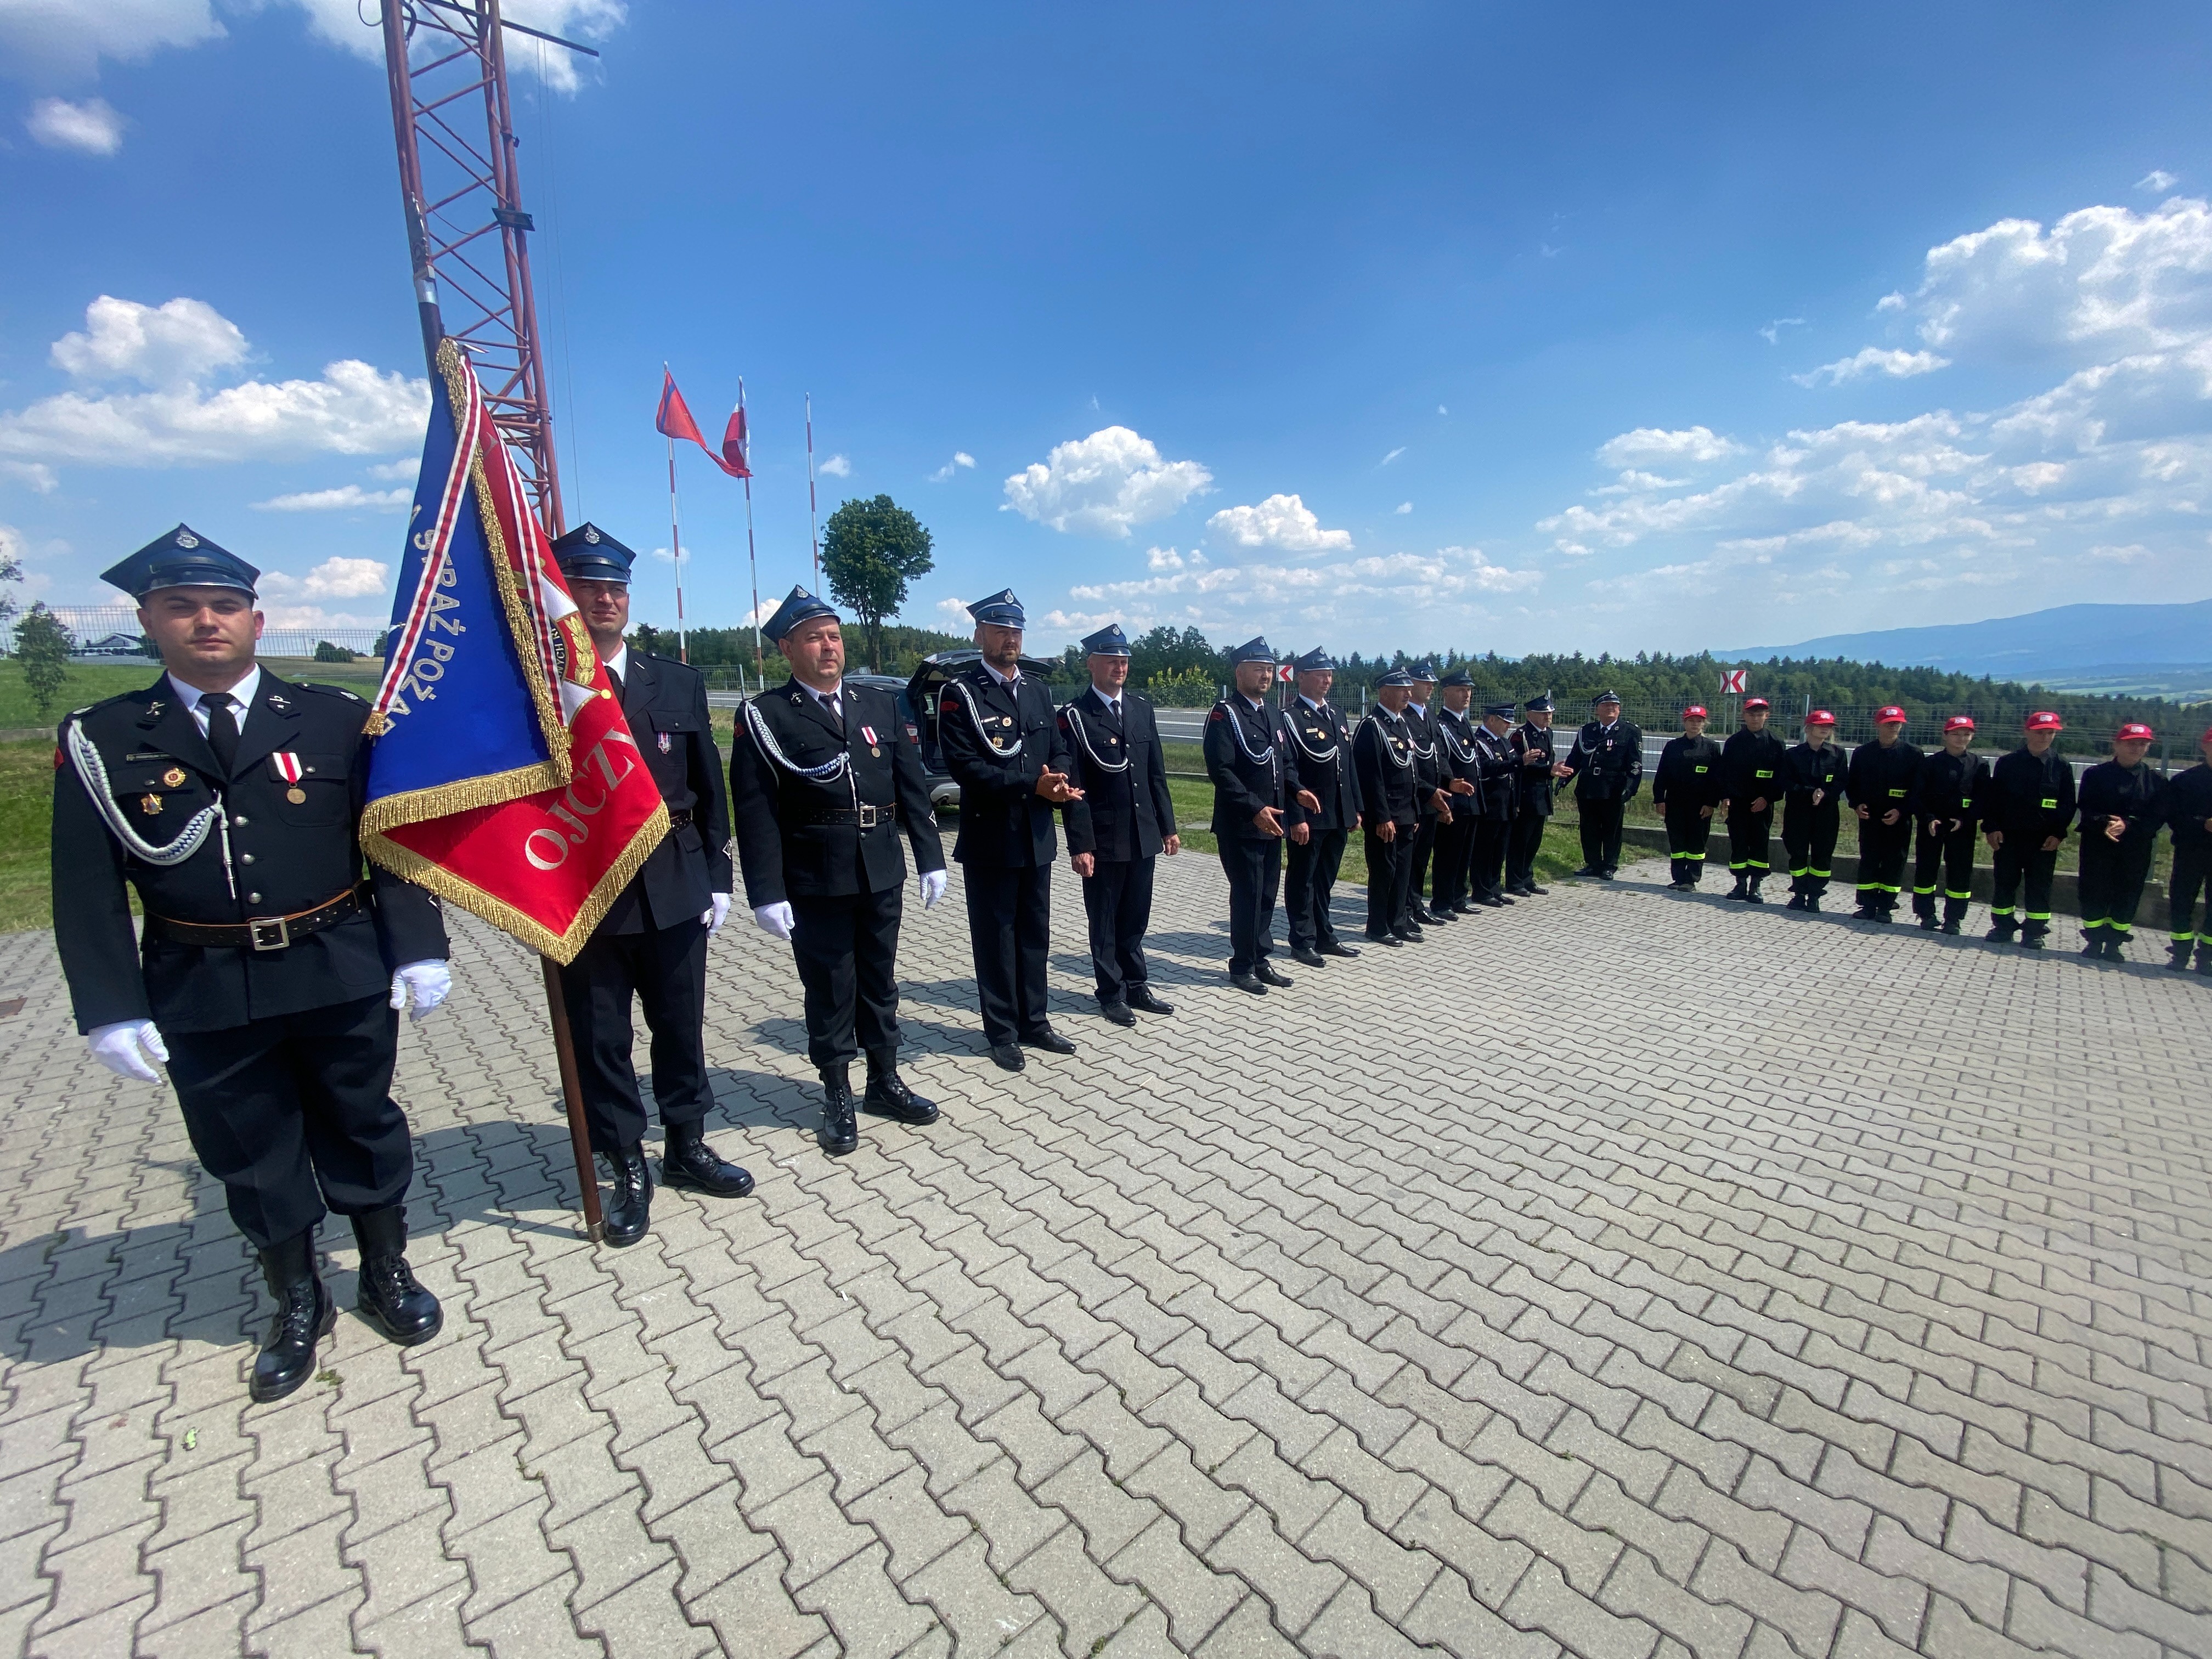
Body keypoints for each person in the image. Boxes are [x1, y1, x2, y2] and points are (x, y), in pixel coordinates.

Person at [53, 526, 453, 1402]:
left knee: (362, 1123)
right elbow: (83, 885)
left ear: (256, 621)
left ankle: (385, 1269)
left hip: (336, 966)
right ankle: (297, 1296)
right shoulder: (103, 737)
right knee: (250, 1148)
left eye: (225, 606)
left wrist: (419, 946)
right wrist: (109, 1005)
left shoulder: (335, 718)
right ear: (148, 621)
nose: (207, 621)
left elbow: (390, 844)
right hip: (201, 981)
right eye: (182, 607)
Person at [546, 524, 750, 1246]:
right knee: (602, 1038)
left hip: (673, 878)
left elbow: (709, 786)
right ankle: (626, 1162)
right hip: (587, 889)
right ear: (563, 595)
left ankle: (687, 1145)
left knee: (680, 1025)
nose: (604, 599)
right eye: (588, 586)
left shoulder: (676, 680)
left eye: (615, 588)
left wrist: (718, 873)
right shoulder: (541, 685)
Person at [730, 585, 949, 1154]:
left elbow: (910, 786)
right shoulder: (767, 715)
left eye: (834, 636)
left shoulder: (877, 705)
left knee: (880, 982)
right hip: (816, 876)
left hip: (880, 868)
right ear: (787, 649)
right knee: (831, 988)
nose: (829, 647)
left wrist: (930, 857)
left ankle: (884, 1080)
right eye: (814, 638)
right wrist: (765, 891)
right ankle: (836, 1091)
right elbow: (755, 810)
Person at [936, 589, 1083, 1070]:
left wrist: (1059, 778)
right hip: (991, 838)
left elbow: (1059, 748)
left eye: (1016, 631)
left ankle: (1034, 1022)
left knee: (1035, 935)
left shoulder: (1037, 691)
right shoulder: (961, 694)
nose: (1010, 639)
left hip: (1036, 837)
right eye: (1000, 630)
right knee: (996, 939)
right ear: (980, 634)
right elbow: (967, 768)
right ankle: (1001, 1032)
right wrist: (1031, 786)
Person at [1059, 623, 1179, 1022]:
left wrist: (1168, 826)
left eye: (1124, 660)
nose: (1120, 667)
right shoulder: (1076, 717)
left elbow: (1156, 774)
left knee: (1135, 918)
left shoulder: (1141, 708)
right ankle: (1111, 993)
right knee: (1106, 921)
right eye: (1111, 660)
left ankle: (1137, 985)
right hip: (1105, 838)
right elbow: (1074, 788)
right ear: (1091, 664)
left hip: (1142, 834)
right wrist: (1081, 844)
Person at [1204, 637, 1319, 993]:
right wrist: (1254, 809)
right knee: (1248, 895)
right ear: (1239, 673)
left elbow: (1284, 762)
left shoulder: (1272, 713)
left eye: (1269, 670)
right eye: (1258, 669)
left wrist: (1297, 790)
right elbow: (1221, 770)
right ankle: (1241, 966)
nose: (1266, 676)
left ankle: (1260, 959)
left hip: (1273, 823)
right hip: (1242, 823)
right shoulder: (1226, 713)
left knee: (1267, 894)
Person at [1282, 648, 1363, 965]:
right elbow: (1288, 771)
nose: (1326, 680)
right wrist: (1296, 817)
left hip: (1337, 813)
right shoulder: (1291, 718)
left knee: (1325, 880)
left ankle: (1324, 935)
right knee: (1303, 879)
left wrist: (1355, 808)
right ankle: (1302, 940)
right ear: (1301, 677)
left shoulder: (1337, 715)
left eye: (1329, 675)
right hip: (1310, 816)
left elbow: (1348, 765)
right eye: (1320, 675)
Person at [1983, 710, 2075, 949]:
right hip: (2009, 836)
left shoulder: (2061, 766)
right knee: (2005, 883)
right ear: (2027, 732)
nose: (2045, 737)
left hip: (2043, 840)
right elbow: (1993, 799)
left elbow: (2067, 804)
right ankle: (2003, 927)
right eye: (2040, 732)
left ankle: (2034, 932)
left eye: (2050, 733)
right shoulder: (2008, 763)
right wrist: (1992, 828)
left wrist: (2058, 833)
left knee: (2040, 887)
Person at [2075, 722, 2166, 961]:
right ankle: (2094, 941)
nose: (2136, 748)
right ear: (2116, 745)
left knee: (2128, 894)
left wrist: (2128, 825)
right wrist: (2106, 822)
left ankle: (2115, 944)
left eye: (2142, 744)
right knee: (2094, 891)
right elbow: (2086, 808)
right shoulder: (2095, 775)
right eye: (2130, 743)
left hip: (2135, 848)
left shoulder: (2156, 781)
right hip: (2098, 844)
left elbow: (2156, 817)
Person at [1355, 669, 1421, 944]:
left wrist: (1415, 810)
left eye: (1409, 689)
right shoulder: (1372, 726)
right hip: (1386, 816)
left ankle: (1398, 922)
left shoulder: (1401, 724)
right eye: (1402, 689)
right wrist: (1382, 817)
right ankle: (1378, 926)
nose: (1408, 694)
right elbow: (1372, 777)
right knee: (1384, 871)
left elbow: (1411, 772)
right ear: (1384, 692)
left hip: (1405, 813)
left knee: (1403, 872)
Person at [1845, 706, 1922, 923]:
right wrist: (1856, 804)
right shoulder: (1863, 753)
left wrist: (1902, 810)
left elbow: (1918, 789)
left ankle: (1886, 907)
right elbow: (1852, 784)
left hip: (1899, 818)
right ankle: (1868, 905)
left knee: (1894, 861)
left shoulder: (1913, 754)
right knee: (1869, 859)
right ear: (1877, 725)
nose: (1893, 727)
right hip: (1870, 817)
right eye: (1888, 723)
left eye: (1897, 723)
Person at [1912, 716, 1988, 934]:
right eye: (1956, 734)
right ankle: (1926, 914)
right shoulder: (1930, 763)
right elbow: (1918, 795)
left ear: (1972, 737)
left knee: (1960, 872)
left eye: (1966, 734)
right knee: (1926, 869)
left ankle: (1954, 919)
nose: (1961, 738)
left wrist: (1966, 819)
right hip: (1933, 826)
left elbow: (1983, 798)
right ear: (1945, 735)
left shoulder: (1979, 765)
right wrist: (1928, 818)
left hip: (1962, 827)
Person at [1566, 691, 1641, 878]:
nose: (1611, 709)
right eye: (1606, 705)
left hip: (1613, 788)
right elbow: (1575, 758)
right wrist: (1564, 779)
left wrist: (1630, 788)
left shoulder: (1630, 731)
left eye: (1614, 706)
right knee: (1589, 828)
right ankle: (1592, 864)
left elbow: (1635, 764)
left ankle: (1609, 865)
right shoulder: (1587, 731)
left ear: (1619, 710)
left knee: (1611, 829)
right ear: (1597, 710)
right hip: (1588, 787)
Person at [1718, 697, 1787, 901]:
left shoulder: (1775, 743)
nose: (1755, 718)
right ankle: (1740, 884)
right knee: (1739, 842)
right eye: (1751, 714)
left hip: (1763, 804)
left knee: (1760, 843)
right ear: (1744, 716)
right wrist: (1725, 796)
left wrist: (1767, 798)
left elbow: (1781, 776)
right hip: (1738, 802)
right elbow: (1724, 773)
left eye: (1759, 714)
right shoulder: (1734, 742)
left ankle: (1756, 886)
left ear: (1767, 716)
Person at [1427, 672, 1485, 913]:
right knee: (1448, 855)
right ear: (1445, 693)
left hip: (1470, 801)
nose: (1467, 694)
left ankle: (1458, 899)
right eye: (1461, 690)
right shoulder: (1441, 724)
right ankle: (1442, 902)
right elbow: (1442, 763)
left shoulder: (1463, 723)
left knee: (1464, 855)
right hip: (1453, 800)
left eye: (1469, 690)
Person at [1402, 663, 1453, 923]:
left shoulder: (1429, 716)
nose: (1430, 687)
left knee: (1422, 858)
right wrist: (1429, 790)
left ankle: (1416, 905)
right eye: (1425, 683)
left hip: (1433, 799)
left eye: (1432, 683)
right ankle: (1405, 909)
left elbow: (1439, 755)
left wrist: (1451, 782)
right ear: (1410, 685)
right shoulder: (1404, 716)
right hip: (1415, 798)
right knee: (1408, 860)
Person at [1781, 710, 1846, 911]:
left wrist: (1825, 794)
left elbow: (1842, 781)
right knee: (1797, 852)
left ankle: (1815, 895)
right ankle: (1799, 894)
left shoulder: (1837, 754)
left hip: (1826, 813)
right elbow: (1785, 781)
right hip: (1798, 811)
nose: (1826, 729)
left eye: (1829, 726)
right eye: (1821, 725)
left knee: (1823, 854)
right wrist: (1809, 792)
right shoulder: (1793, 755)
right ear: (1808, 728)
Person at [1652, 705, 1722, 890]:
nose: (1695, 724)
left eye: (1699, 721)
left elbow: (1716, 779)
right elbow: (1662, 774)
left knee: (1696, 842)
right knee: (1677, 840)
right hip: (1675, 802)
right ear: (1684, 722)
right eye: (1691, 721)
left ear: (1705, 723)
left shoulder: (1712, 747)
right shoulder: (1673, 746)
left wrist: (1711, 803)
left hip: (1700, 805)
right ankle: (1678, 878)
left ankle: (1691, 879)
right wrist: (1659, 799)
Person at [2163, 725, 2212, 973]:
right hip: (2190, 850)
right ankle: (2180, 954)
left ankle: (2207, 958)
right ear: (2204, 746)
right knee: (2181, 901)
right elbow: (2174, 817)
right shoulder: (2185, 781)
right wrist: (2202, 824)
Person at [1506, 693, 1564, 896]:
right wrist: (1549, 770)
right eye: (1542, 713)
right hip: (1527, 794)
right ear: (1530, 715)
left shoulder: (1548, 733)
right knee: (1521, 840)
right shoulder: (1521, 736)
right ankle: (1514, 881)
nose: (1548, 717)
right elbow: (1521, 765)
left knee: (1534, 840)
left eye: (1550, 713)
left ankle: (1527, 878)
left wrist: (1552, 770)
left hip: (1543, 794)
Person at [1469, 702, 1521, 906]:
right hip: (1490, 805)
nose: (1508, 726)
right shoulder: (1480, 742)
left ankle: (1494, 888)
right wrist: (1518, 762)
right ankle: (1481, 891)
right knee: (1485, 851)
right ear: (1491, 719)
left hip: (1506, 805)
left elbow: (1513, 769)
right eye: (1505, 721)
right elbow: (1488, 767)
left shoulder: (1504, 743)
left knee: (1500, 850)